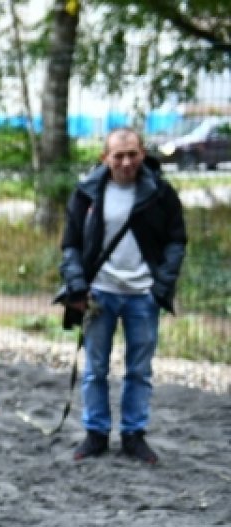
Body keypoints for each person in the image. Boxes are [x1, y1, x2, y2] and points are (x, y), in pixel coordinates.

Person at [58, 127, 186, 464]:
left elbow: (176, 240)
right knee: (94, 369)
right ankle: (96, 434)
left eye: (132, 154)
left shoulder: (159, 192)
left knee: (139, 371)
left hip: (144, 295)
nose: (126, 161)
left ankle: (134, 435)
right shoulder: (86, 192)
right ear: (105, 158)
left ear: (143, 154)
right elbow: (70, 245)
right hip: (100, 293)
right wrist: (76, 286)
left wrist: (162, 285)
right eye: (119, 155)